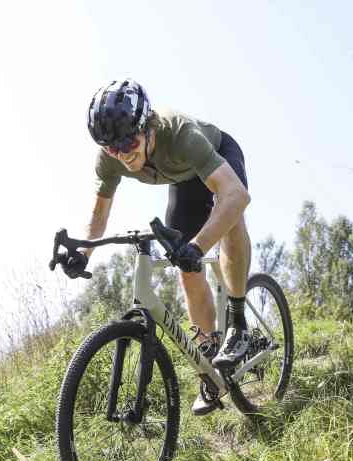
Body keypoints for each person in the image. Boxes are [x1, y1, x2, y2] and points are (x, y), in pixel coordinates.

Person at [61, 78, 253, 416]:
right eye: (112, 148)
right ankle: (210, 363)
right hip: (183, 181)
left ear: (147, 127)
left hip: (217, 157)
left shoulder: (179, 134)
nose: (123, 154)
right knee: (186, 270)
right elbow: (98, 214)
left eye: (129, 142)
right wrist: (83, 252)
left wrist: (198, 244)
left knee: (230, 219)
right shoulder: (110, 158)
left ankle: (238, 324)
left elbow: (236, 195)